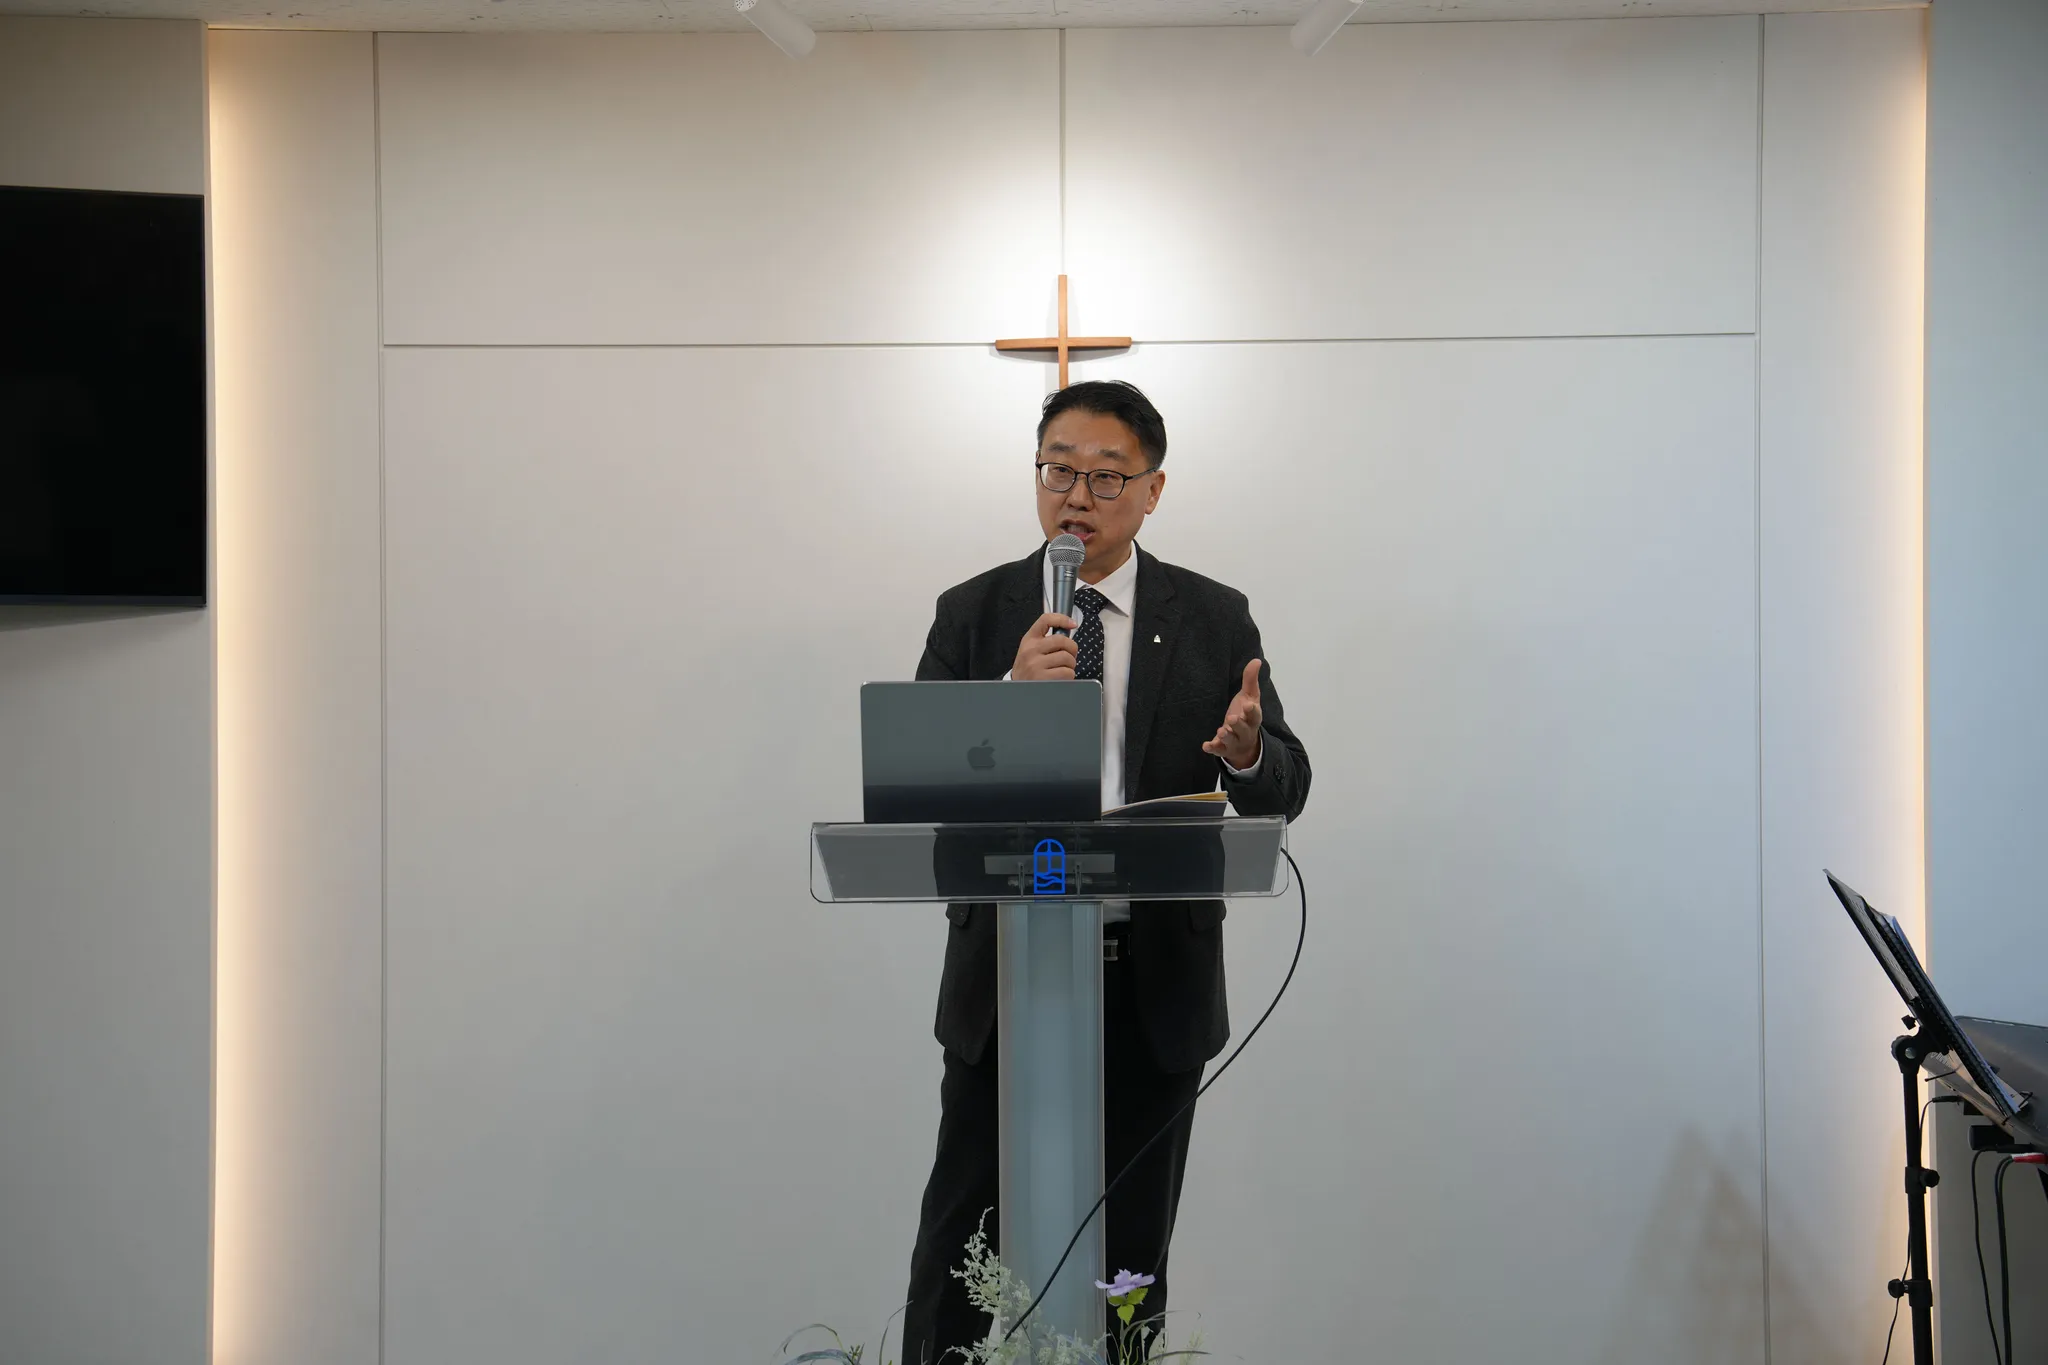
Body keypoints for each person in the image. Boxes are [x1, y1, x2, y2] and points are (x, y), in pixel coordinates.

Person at [900, 380, 1311, 1362]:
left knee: (1125, 1257)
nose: (1075, 496)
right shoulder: (976, 610)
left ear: (1152, 489)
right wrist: (1005, 697)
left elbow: (1285, 784)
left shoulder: (1211, 616)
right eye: (1057, 471)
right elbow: (914, 781)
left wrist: (1248, 752)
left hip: (1150, 978)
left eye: (1105, 477)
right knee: (961, 1248)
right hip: (1008, 977)